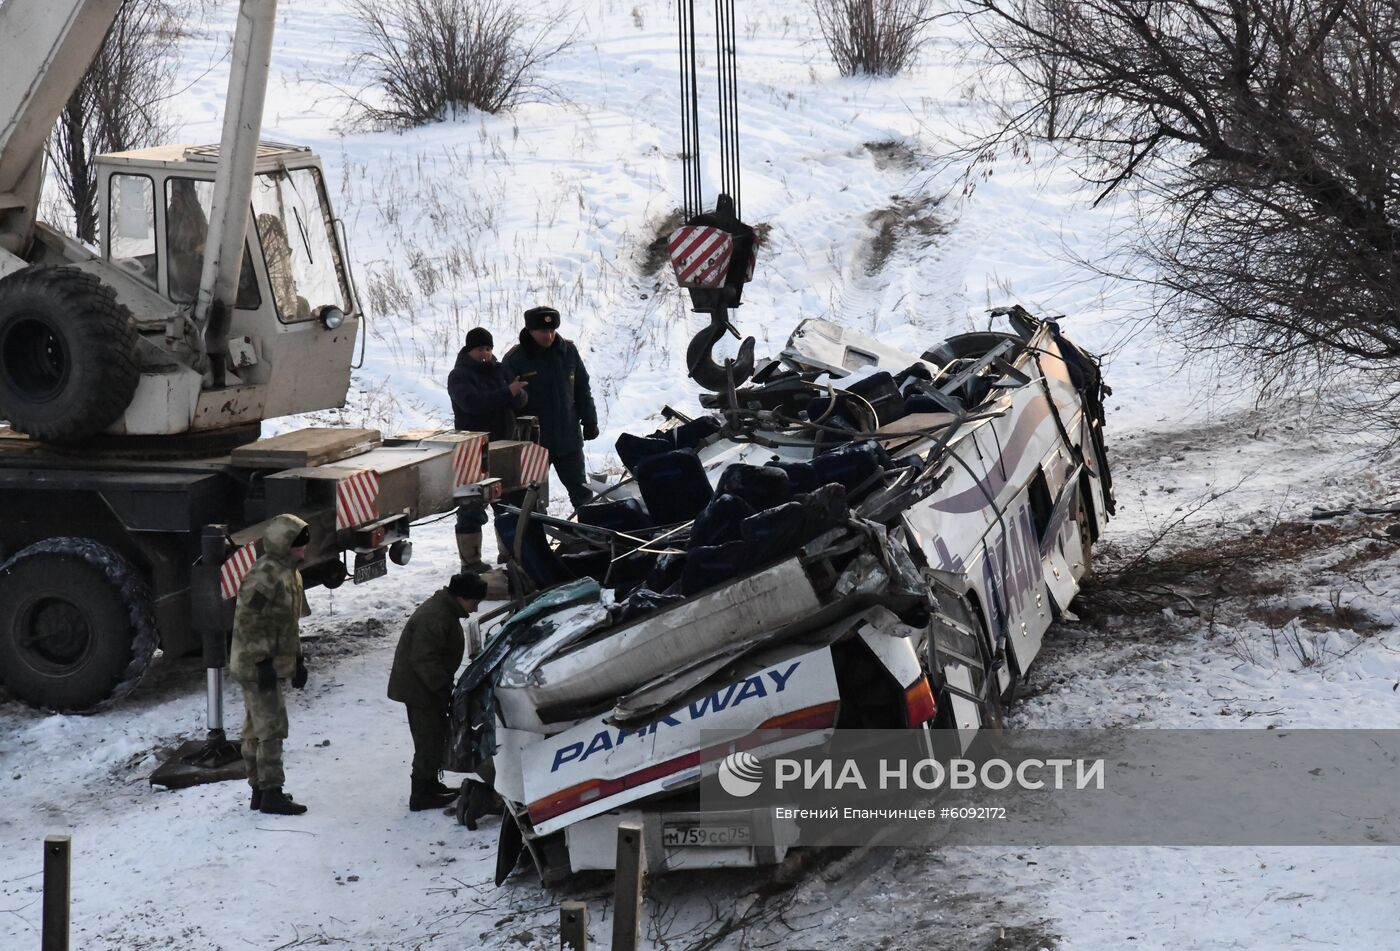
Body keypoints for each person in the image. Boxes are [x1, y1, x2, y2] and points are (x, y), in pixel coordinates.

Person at [230, 513, 311, 816]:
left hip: (269, 663)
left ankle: (260, 790)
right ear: (283, 544)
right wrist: (262, 662)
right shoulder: (265, 575)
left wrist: (297, 660)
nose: (304, 549)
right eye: (298, 544)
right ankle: (271, 792)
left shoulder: (290, 574)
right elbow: (248, 621)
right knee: (272, 727)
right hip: (255, 665)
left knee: (256, 727)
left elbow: (289, 625)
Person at [387, 572, 487, 812]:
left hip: (427, 687)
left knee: (434, 736)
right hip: (420, 690)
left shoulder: (445, 611)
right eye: (474, 602)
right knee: (428, 740)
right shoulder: (436, 617)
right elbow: (424, 660)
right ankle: (420, 795)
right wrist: (442, 687)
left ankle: (430, 784)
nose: (475, 609)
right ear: (461, 597)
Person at [447, 327, 527, 572]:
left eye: (488, 349)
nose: (485, 354)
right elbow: (472, 404)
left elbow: (521, 400)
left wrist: (516, 394)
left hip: (504, 446)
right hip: (474, 452)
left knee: (508, 505)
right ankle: (471, 562)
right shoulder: (459, 375)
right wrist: (508, 392)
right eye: (480, 349)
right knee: (472, 505)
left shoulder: (500, 369)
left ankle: (510, 553)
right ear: (469, 350)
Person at [502, 306, 600, 509]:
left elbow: (582, 388)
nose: (548, 336)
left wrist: (590, 420)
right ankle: (537, 531)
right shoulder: (515, 359)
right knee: (532, 500)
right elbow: (507, 402)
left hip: (568, 438)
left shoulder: (568, 352)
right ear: (530, 331)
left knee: (582, 494)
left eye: (551, 330)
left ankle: (589, 529)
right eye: (542, 331)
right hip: (533, 442)